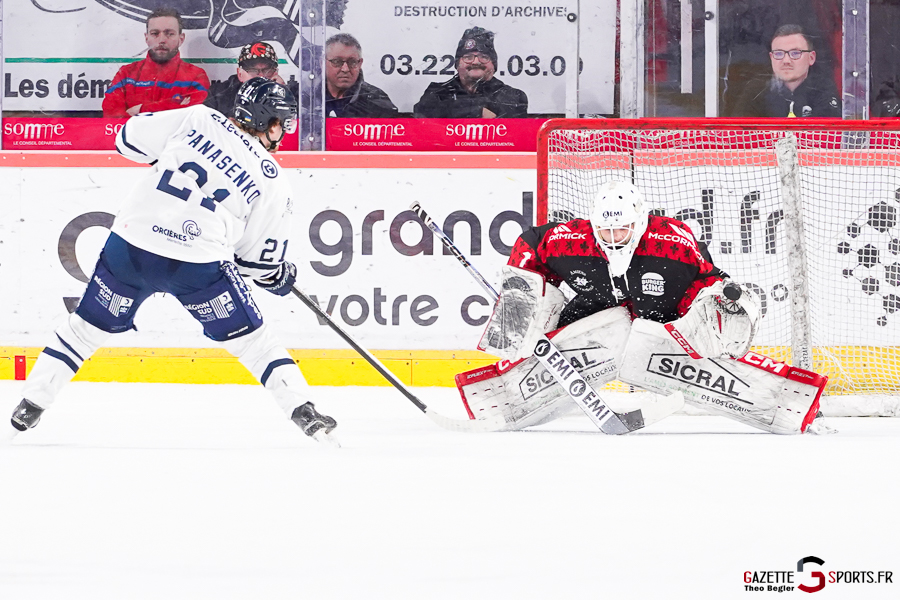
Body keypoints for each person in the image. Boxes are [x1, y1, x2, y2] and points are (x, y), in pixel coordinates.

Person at [7, 78, 338, 445]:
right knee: (254, 343)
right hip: (195, 266)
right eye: (283, 124)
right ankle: (303, 411)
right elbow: (254, 266)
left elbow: (127, 139)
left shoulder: (199, 118)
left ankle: (30, 405)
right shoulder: (273, 180)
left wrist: (176, 153)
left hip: (130, 247)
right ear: (271, 124)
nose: (283, 133)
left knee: (84, 330)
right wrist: (277, 275)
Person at [459, 181, 828, 435]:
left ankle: (781, 402)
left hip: (662, 317)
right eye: (605, 231)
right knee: (605, 326)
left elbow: (707, 279)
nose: (613, 238)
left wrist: (715, 310)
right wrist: (519, 308)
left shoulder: (672, 241)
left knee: (673, 341)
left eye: (621, 230)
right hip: (596, 312)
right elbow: (530, 243)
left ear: (638, 222)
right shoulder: (572, 239)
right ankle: (502, 398)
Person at [103, 8, 210, 118]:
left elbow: (193, 114)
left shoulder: (196, 76)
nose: (161, 40)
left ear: (181, 39)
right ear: (146, 38)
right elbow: (111, 116)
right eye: (155, 33)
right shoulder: (126, 74)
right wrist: (173, 106)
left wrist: (141, 110)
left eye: (170, 34)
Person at [413, 27, 528, 119]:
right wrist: (477, 111)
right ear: (457, 64)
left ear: (493, 65)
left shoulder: (513, 96)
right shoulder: (436, 92)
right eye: (468, 57)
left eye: (484, 57)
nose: (476, 62)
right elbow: (424, 115)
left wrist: (455, 110)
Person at [732, 24, 840, 118]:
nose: (786, 61)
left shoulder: (824, 90)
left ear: (811, 58)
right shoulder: (756, 91)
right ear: (771, 58)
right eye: (778, 53)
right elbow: (739, 132)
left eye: (795, 53)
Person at [204, 42, 299, 117]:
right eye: (253, 70)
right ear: (240, 74)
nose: (261, 76)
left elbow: (300, 122)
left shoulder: (291, 94)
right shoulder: (219, 95)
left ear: (276, 72)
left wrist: (285, 95)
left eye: (267, 70)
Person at [323, 33, 398, 118]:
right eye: (337, 61)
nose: (345, 69)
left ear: (360, 63)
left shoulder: (377, 102)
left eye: (352, 62)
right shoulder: (311, 99)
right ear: (322, 62)